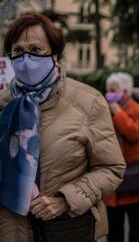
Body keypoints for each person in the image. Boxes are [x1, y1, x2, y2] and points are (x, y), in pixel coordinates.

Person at [0, 13, 126, 242]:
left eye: (36, 50)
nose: (26, 60)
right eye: (18, 51)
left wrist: (66, 199)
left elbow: (112, 169)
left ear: (55, 54)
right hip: (11, 231)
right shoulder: (3, 104)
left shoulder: (88, 102)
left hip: (66, 230)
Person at [103, 72, 139, 242]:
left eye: (114, 89)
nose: (109, 93)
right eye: (108, 89)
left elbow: (136, 133)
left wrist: (118, 113)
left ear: (125, 90)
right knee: (114, 231)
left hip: (135, 181)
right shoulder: (102, 109)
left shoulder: (138, 110)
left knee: (137, 230)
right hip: (113, 183)